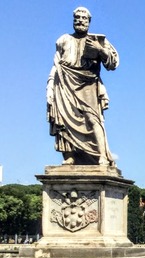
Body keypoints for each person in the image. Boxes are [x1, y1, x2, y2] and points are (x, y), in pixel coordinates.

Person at [47, 7, 119, 166]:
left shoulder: (98, 40)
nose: (80, 20)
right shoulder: (63, 40)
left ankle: (102, 156)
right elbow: (55, 64)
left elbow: (113, 63)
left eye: (83, 18)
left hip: (88, 84)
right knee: (64, 121)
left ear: (89, 21)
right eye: (77, 18)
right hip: (65, 84)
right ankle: (70, 156)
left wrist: (99, 50)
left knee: (93, 119)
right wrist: (50, 87)